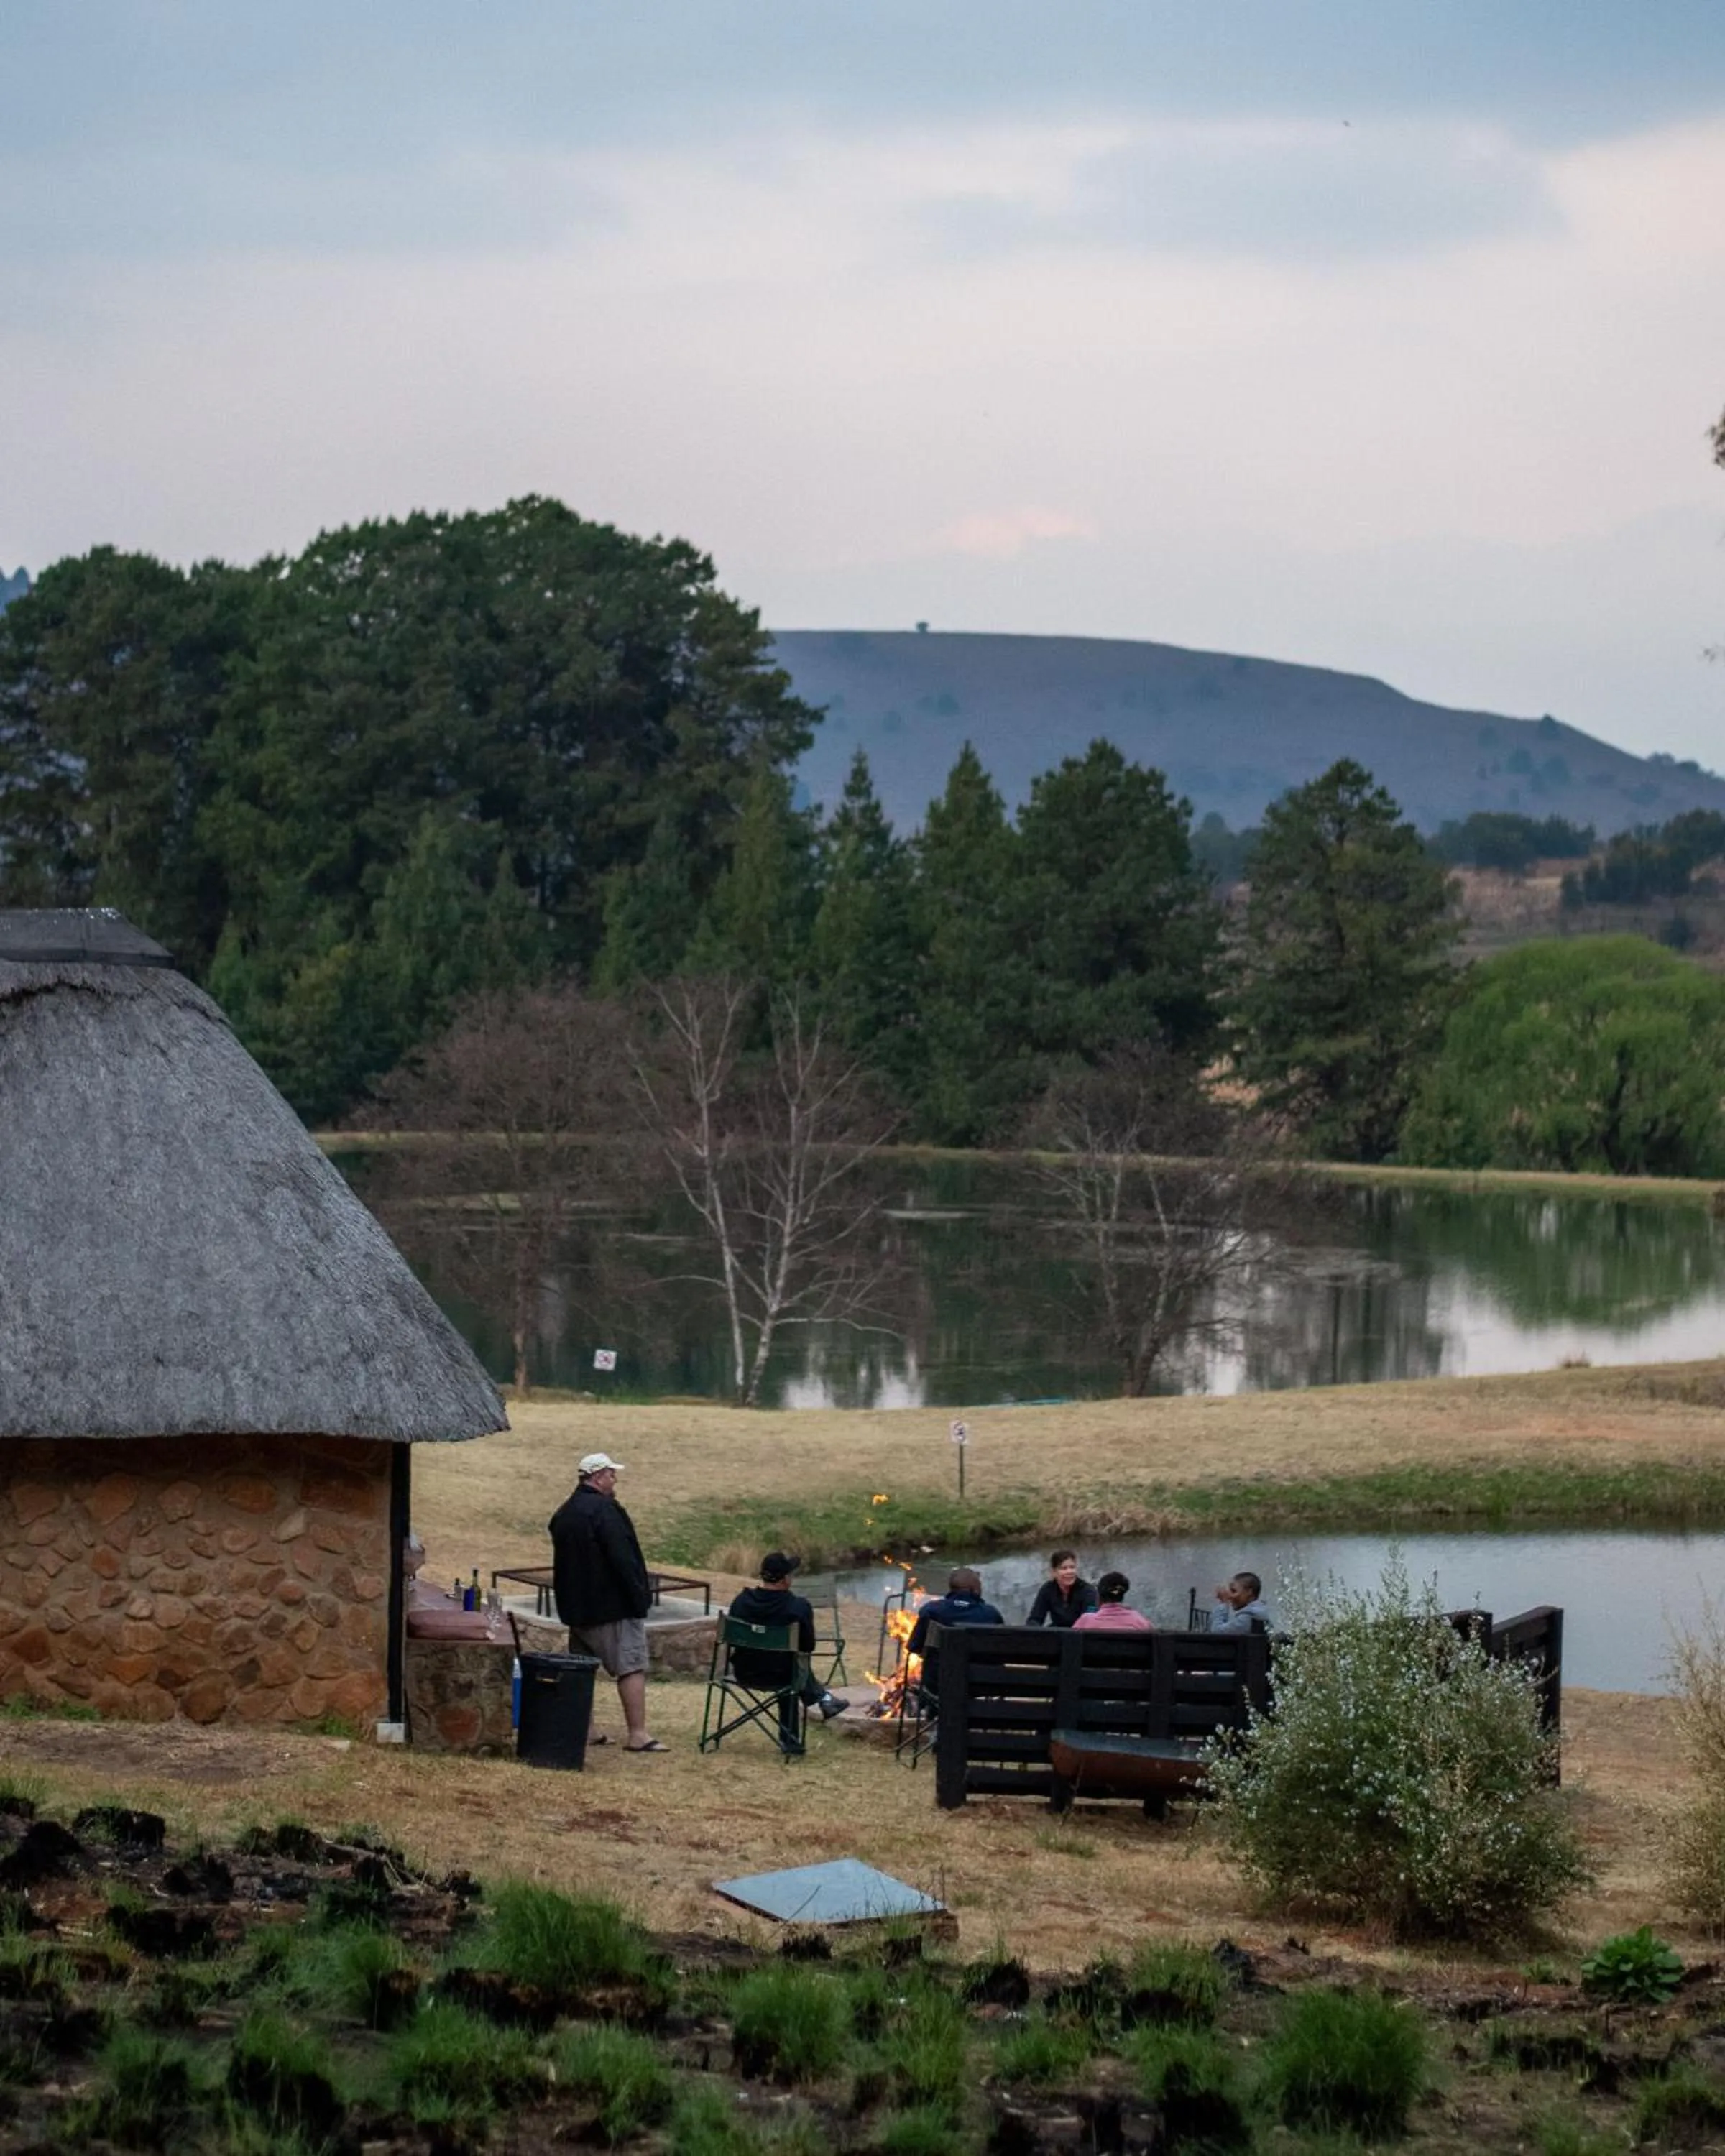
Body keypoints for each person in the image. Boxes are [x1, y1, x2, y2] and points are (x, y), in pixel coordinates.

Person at [548, 1452, 664, 1752]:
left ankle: (586, 1730)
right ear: (598, 1477)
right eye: (612, 1475)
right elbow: (623, 1557)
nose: (615, 1481)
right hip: (612, 1608)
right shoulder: (606, 1511)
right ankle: (638, 1734)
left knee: (582, 1670)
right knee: (630, 1667)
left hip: (576, 1609)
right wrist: (639, 1596)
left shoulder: (564, 1513)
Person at [726, 1552, 848, 1754]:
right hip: (782, 1677)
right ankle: (803, 1724)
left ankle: (824, 1700)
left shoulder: (741, 1601)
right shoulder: (798, 1606)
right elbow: (808, 1647)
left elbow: (731, 1640)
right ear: (785, 1579)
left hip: (744, 1672)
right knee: (792, 1668)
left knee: (786, 1664)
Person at [905, 1567, 1006, 1659]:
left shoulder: (930, 1610)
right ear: (975, 1589)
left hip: (938, 1672)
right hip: (979, 1673)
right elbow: (1001, 1652)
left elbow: (914, 1647)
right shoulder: (991, 1614)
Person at [1025, 1549, 1098, 1628]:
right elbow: (1035, 1619)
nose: (1069, 1572)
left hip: (1080, 1633)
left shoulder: (1089, 1592)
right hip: (1056, 1632)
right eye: (1064, 1568)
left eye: (1072, 1567)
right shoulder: (1047, 1589)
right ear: (1054, 1572)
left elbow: (1088, 1623)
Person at [1072, 1570, 1152, 1631]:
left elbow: (1070, 1643)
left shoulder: (1085, 1622)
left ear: (1099, 1595)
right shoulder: (1139, 1622)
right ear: (1122, 1595)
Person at [1211, 1570, 1274, 1634]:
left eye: (1233, 1591)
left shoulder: (1247, 1618)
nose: (1230, 1596)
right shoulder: (1259, 1613)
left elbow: (1217, 1633)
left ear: (1249, 1592)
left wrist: (1223, 1603)